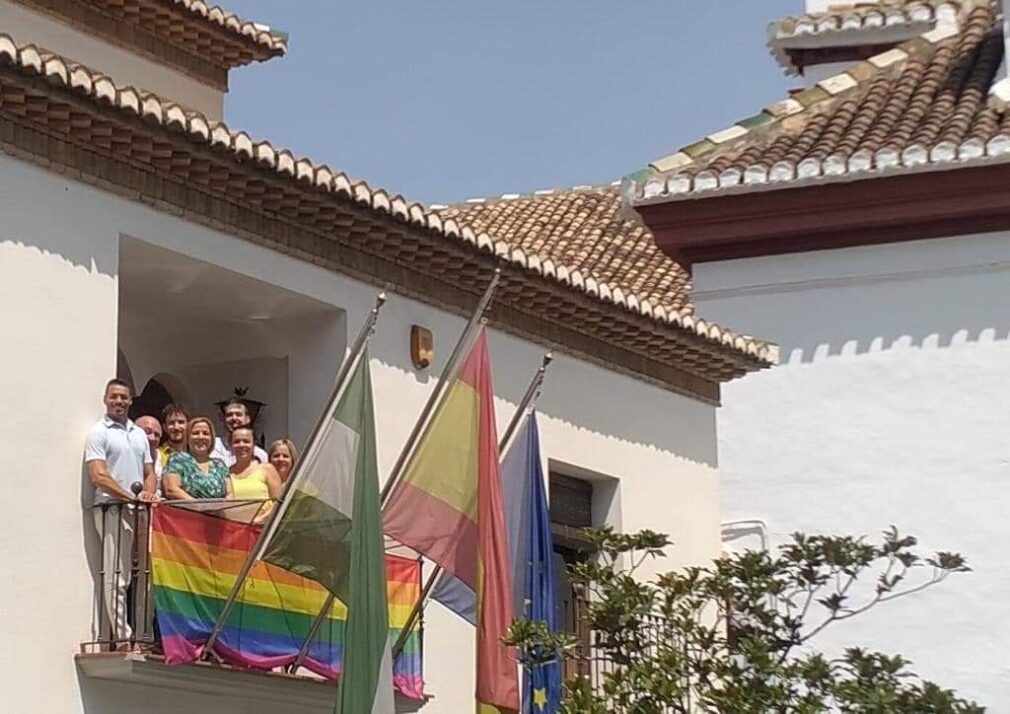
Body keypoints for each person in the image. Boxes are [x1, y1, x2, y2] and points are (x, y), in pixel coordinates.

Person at [85, 379, 156, 649]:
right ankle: (123, 636)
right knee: (118, 574)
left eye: (124, 397)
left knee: (142, 573)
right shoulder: (98, 432)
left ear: (130, 400)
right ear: (106, 399)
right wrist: (128, 497)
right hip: (112, 509)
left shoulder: (137, 433)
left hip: (138, 511)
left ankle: (142, 632)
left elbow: (149, 473)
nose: (119, 401)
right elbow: (98, 475)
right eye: (114, 397)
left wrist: (146, 495)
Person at [162, 417, 230, 500]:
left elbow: (230, 494)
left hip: (219, 511)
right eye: (195, 433)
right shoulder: (177, 460)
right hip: (188, 511)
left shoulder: (219, 465)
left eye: (205, 433)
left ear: (212, 438)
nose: (201, 437)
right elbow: (171, 490)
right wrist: (199, 507)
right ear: (187, 438)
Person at [229, 427, 282, 522]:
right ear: (231, 446)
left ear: (254, 444)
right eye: (237, 441)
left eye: (246, 441)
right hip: (235, 529)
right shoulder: (226, 473)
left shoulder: (267, 469)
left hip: (263, 530)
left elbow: (279, 502)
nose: (241, 445)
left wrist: (258, 520)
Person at [211, 398, 268, 466]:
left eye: (238, 414)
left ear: (247, 419)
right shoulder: (212, 446)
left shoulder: (259, 454)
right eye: (229, 415)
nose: (234, 418)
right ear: (223, 418)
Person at [135, 415, 164, 494]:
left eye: (157, 435)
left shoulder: (164, 458)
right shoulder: (123, 456)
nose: (152, 438)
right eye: (147, 432)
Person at [158, 403, 189, 472]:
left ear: (188, 425)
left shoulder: (196, 453)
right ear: (164, 427)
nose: (176, 427)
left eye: (181, 422)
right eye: (171, 423)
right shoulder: (158, 455)